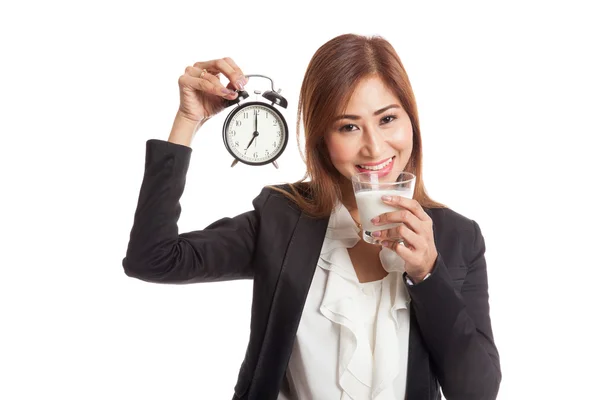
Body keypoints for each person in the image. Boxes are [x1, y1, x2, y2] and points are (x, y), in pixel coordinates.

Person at [122, 33, 501, 400]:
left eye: (387, 119)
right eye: (348, 126)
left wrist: (427, 272)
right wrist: (187, 120)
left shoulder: (457, 237)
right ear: (322, 138)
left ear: (411, 122)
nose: (374, 147)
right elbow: (153, 259)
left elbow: (477, 391)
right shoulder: (283, 218)